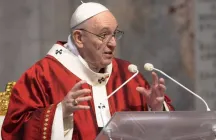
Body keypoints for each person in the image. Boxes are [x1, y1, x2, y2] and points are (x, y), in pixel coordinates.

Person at [1, 2, 174, 140]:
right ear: (79, 38)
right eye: (103, 35)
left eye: (115, 34)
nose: (113, 43)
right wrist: (61, 112)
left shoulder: (127, 74)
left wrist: (156, 109)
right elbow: (14, 130)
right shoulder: (43, 75)